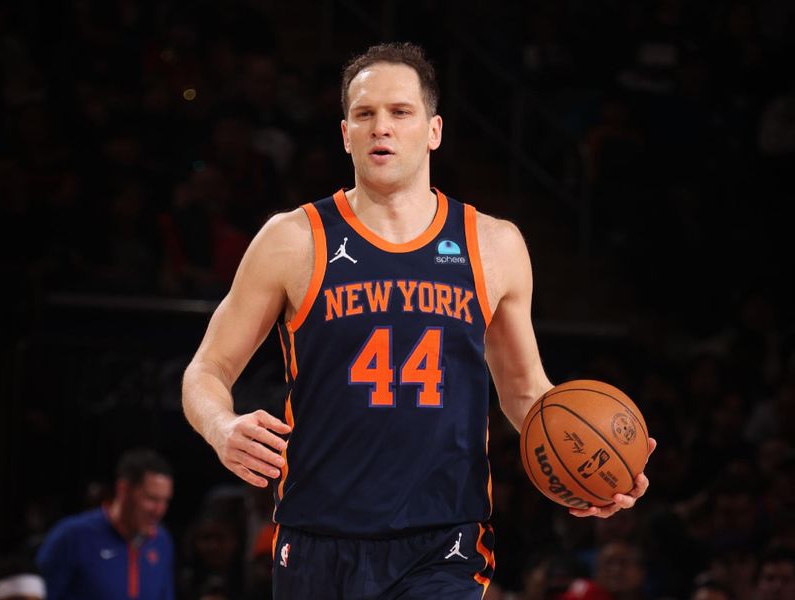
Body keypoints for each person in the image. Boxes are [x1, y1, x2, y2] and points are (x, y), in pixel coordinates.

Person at [182, 42, 655, 599]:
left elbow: (526, 391)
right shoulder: (291, 239)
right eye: (365, 114)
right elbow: (206, 369)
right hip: (317, 533)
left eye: (400, 112)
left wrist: (585, 464)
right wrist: (222, 427)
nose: (382, 126)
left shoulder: (494, 244)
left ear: (433, 130)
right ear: (345, 134)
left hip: (444, 540)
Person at [36, 448, 174, 600]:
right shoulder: (71, 536)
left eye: (165, 501)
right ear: (123, 489)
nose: (159, 510)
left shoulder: (162, 541)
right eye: (152, 499)